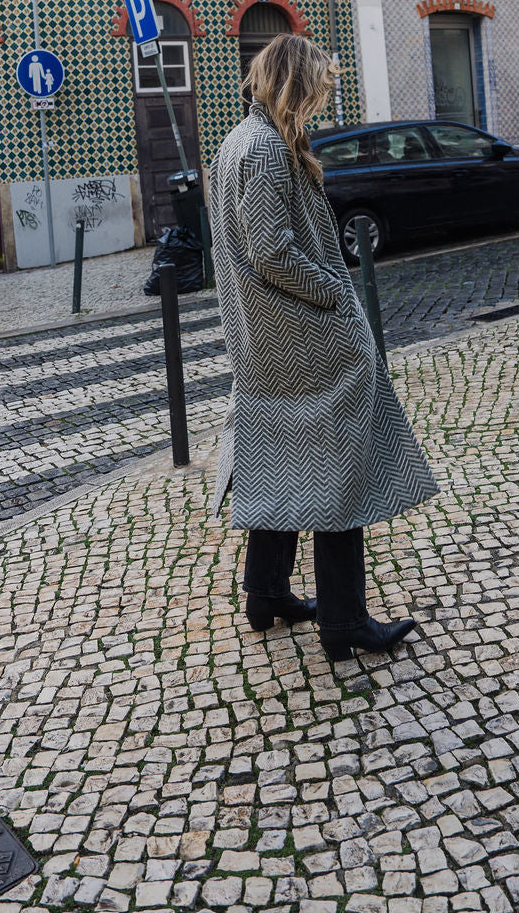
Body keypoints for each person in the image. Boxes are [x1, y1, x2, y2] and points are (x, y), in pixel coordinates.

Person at [210, 34, 439, 662]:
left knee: (279, 462)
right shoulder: (264, 149)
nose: (323, 97)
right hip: (307, 340)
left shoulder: (241, 140)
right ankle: (344, 622)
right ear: (296, 82)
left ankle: (266, 593)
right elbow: (271, 251)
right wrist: (334, 293)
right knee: (342, 473)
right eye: (320, 86)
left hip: (266, 341)